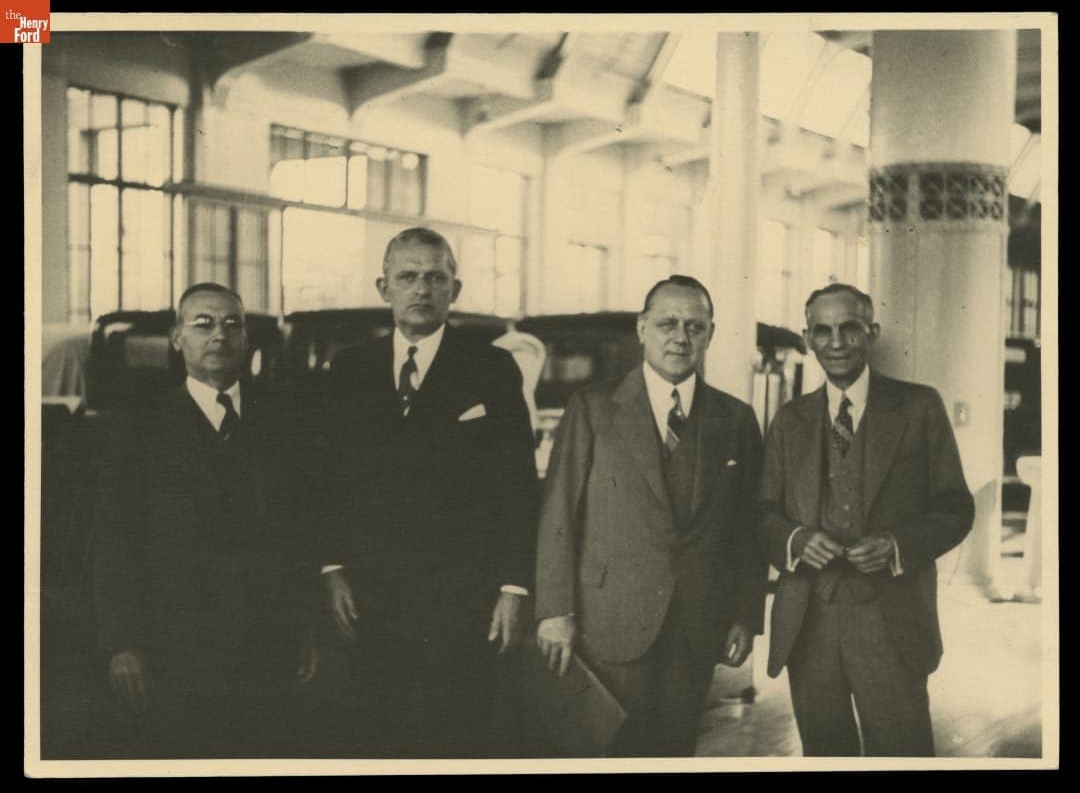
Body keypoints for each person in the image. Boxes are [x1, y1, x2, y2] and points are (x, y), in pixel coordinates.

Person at [319, 227, 538, 758]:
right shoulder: (347, 368)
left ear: (454, 290)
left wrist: (514, 587)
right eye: (408, 276)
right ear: (383, 287)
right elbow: (325, 478)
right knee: (374, 732)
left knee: (458, 733)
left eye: (436, 277)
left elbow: (517, 482)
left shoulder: (491, 368)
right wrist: (330, 569)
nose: (422, 288)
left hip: (464, 596)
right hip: (370, 595)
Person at [534, 275, 768, 757]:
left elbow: (749, 529)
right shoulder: (593, 407)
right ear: (642, 329)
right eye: (667, 323)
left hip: (696, 626)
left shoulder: (736, 419)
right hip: (609, 621)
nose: (681, 337)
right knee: (614, 750)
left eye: (694, 326)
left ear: (710, 333)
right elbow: (558, 512)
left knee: (676, 750)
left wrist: (745, 614)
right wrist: (555, 610)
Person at [91, 283, 318, 758]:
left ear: (247, 340)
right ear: (177, 339)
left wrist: (304, 631)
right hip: (174, 648)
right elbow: (114, 539)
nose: (220, 335)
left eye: (232, 324)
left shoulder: (285, 419)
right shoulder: (140, 425)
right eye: (203, 324)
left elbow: (299, 535)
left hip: (267, 644)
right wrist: (122, 644)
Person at [759, 283, 975, 757]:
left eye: (849, 328)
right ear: (808, 337)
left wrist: (897, 545)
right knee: (824, 753)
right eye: (823, 330)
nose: (836, 342)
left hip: (891, 620)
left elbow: (956, 508)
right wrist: (794, 540)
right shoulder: (789, 420)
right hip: (808, 623)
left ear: (871, 332)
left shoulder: (918, 408)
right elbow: (761, 514)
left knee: (903, 751)